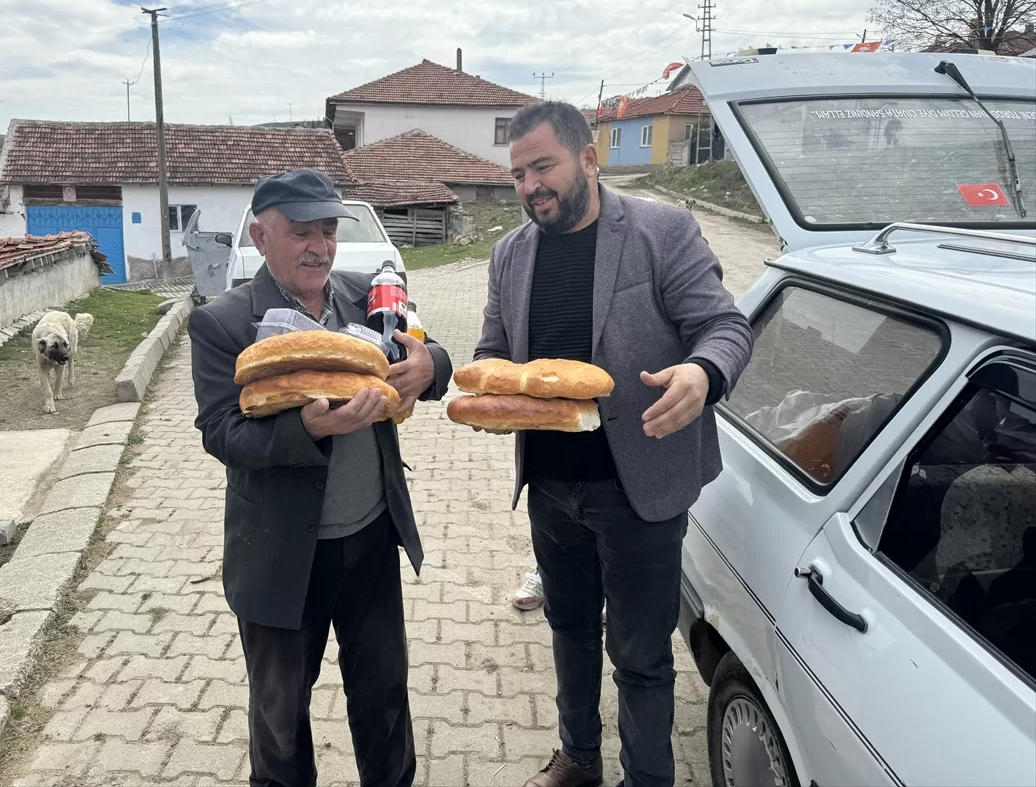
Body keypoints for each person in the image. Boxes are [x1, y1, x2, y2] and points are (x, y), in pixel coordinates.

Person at [473, 103, 753, 787]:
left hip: (640, 486)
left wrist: (703, 371)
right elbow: (491, 354)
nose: (529, 186)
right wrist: (491, 398)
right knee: (568, 629)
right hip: (550, 483)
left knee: (640, 655)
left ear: (588, 159)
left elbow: (725, 326)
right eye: (517, 174)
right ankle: (579, 758)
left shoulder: (661, 230)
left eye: (543, 166)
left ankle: (647, 779)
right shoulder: (509, 254)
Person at [189, 169, 453, 787]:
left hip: (369, 536)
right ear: (259, 235)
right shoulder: (224, 322)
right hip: (281, 554)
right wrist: (310, 432)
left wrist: (428, 366)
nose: (319, 247)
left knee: (384, 697)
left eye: (328, 231)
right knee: (280, 717)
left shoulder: (369, 297)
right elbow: (221, 432)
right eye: (300, 232)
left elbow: (431, 350)